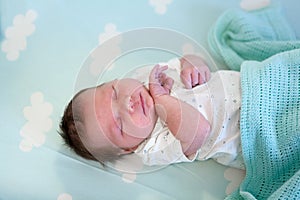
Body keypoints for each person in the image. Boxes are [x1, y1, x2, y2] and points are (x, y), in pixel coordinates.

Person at [60, 54, 245, 169]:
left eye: (114, 94)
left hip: (250, 82)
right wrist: (162, 100)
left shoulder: (143, 76)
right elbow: (200, 131)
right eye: (120, 123)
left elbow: (184, 61)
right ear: (129, 148)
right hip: (251, 133)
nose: (127, 103)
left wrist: (193, 65)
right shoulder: (152, 148)